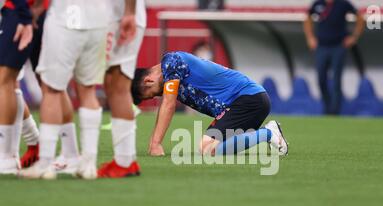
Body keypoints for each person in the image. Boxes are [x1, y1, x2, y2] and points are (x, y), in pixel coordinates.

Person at [20, 0, 136, 180]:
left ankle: (45, 164)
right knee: (88, 90)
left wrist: (33, 11)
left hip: (65, 18)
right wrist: (130, 12)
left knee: (52, 90)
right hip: (99, 21)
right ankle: (88, 164)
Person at [131, 51, 288, 158]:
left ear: (148, 80)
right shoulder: (172, 72)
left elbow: (168, 104)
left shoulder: (171, 62)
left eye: (154, 94)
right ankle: (266, 134)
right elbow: (166, 103)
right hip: (239, 105)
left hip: (249, 100)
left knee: (206, 148)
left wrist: (156, 144)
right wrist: (153, 142)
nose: (160, 95)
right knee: (209, 148)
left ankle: (269, 133)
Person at [98, 0, 146, 178]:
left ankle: (124, 162)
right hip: (119, 15)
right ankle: (126, 160)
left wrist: (129, 12)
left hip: (121, 16)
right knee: (113, 83)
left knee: (118, 85)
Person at [304, 0, 364, 115]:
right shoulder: (318, 4)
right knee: (321, 79)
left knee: (336, 80)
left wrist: (354, 37)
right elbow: (307, 18)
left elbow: (360, 17)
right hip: (322, 47)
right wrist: (310, 37)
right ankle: (327, 108)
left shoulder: (343, 4)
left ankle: (334, 112)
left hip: (338, 46)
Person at [0, 0, 33, 174]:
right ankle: (32, 143)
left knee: (6, 80)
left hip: (12, 10)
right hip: (13, 11)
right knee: (9, 81)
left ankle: (7, 156)